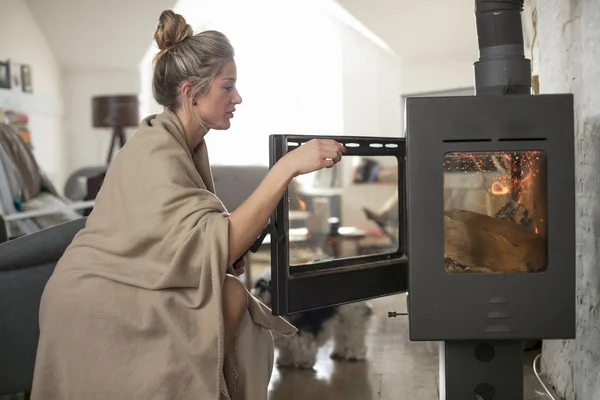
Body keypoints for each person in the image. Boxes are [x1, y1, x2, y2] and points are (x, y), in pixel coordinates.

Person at [30, 10, 345, 400]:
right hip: (102, 293)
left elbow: (172, 235)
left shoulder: (183, 142)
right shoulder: (154, 150)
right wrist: (285, 169)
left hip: (135, 278)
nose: (237, 98)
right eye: (227, 87)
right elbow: (206, 238)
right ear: (190, 93)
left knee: (232, 294)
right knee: (230, 297)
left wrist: (222, 255)